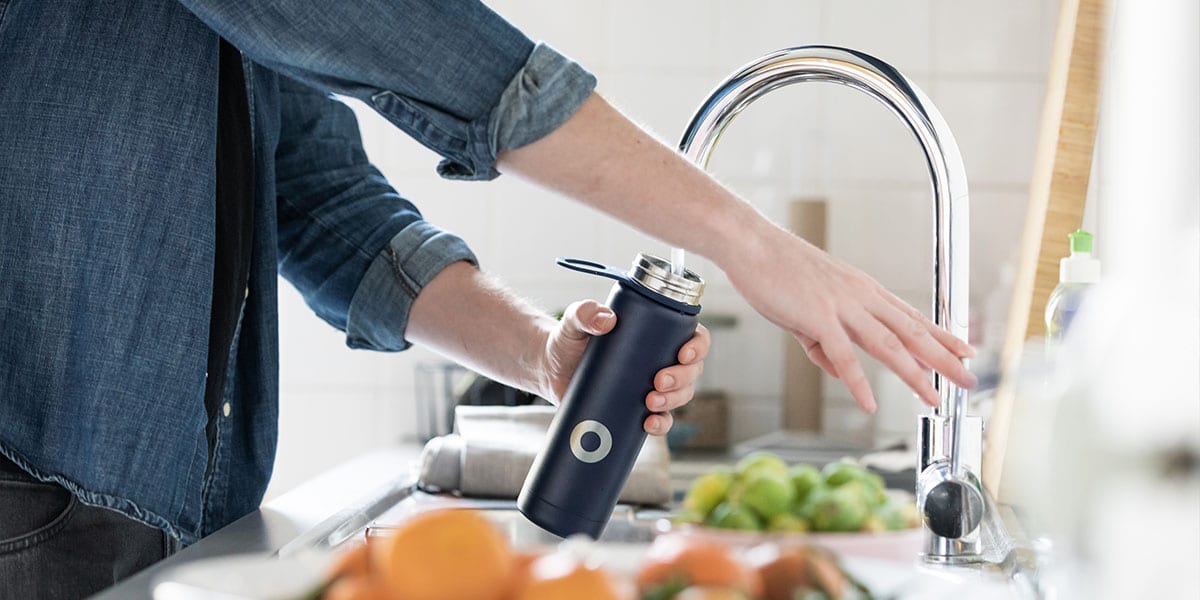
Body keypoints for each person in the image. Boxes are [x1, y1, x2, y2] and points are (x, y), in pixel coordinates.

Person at [0, 1, 976, 597]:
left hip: (143, 509)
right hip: (26, 489)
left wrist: (541, 353)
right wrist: (747, 241)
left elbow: (321, 202)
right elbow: (419, 42)